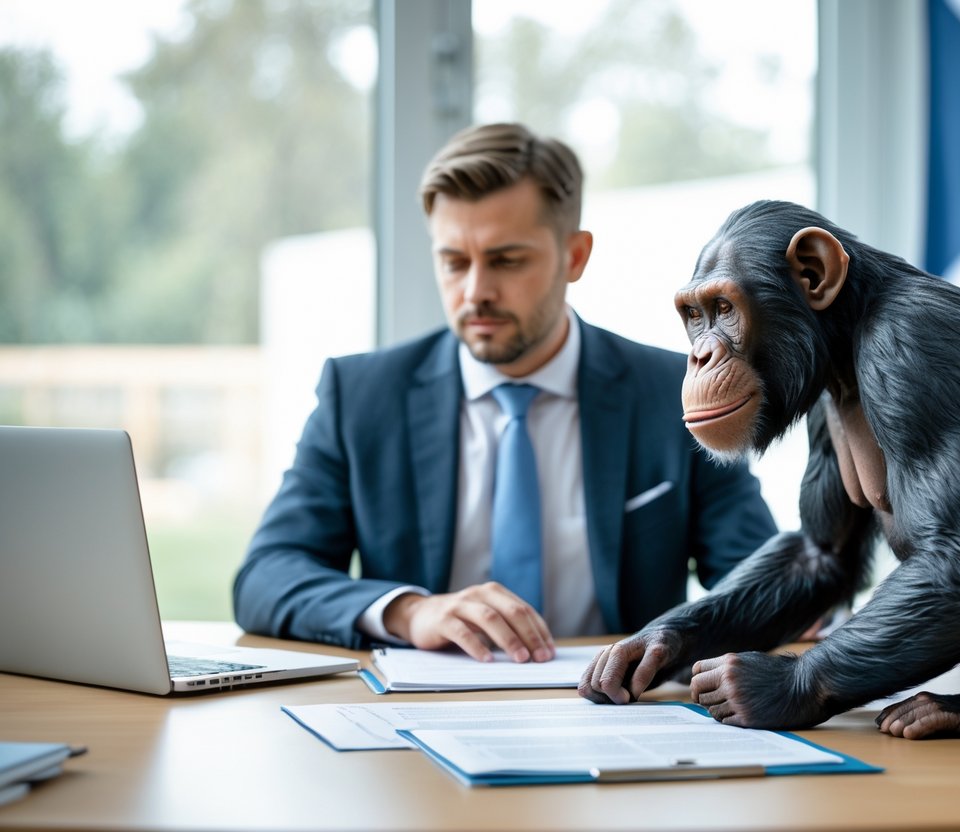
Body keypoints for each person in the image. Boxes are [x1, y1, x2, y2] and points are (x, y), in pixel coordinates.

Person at [232, 122, 777, 661]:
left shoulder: (674, 392)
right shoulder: (362, 397)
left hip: (618, 719)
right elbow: (266, 576)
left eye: (506, 260)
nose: (475, 292)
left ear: (575, 257)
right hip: (415, 722)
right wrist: (410, 611)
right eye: (453, 261)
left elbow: (765, 579)